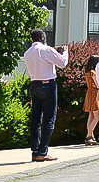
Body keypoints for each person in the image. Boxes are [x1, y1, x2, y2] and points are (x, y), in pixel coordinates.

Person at [24, 28, 68, 162]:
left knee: (35, 119)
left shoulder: (27, 53)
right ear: (43, 37)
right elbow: (62, 63)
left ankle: (35, 150)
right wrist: (65, 52)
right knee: (49, 119)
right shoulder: (45, 49)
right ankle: (42, 151)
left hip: (34, 84)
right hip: (47, 84)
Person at [83, 55, 99, 145]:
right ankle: (89, 135)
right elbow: (97, 84)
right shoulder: (93, 72)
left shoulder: (87, 72)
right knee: (97, 115)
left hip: (89, 93)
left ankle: (90, 135)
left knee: (91, 115)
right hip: (95, 93)